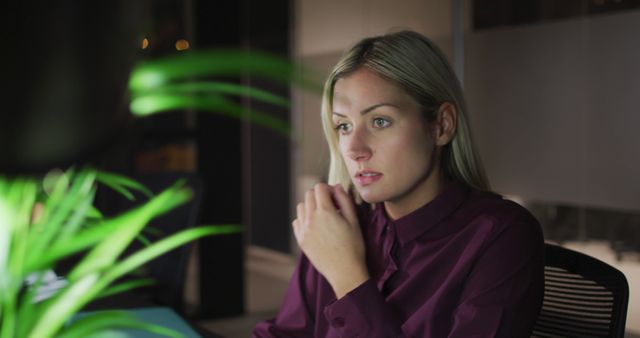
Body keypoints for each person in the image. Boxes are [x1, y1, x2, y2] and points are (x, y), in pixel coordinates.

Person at [253, 30, 544, 337]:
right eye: (343, 126)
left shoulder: (501, 235)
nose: (354, 148)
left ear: (441, 126)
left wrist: (347, 275)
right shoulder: (336, 223)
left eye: (380, 121)